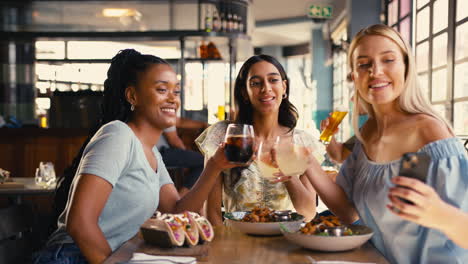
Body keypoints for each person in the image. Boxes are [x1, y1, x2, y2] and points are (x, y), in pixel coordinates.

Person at [33, 49, 240, 264]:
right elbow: (79, 223)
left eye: (176, 91)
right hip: (74, 257)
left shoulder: (150, 151)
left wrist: (214, 166)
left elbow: (176, 210)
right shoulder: (117, 135)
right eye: (162, 89)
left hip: (113, 255)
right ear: (133, 96)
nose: (173, 99)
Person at [305, 24, 468, 264]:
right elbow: (349, 210)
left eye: (388, 60)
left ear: (405, 66)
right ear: (354, 75)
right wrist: (306, 162)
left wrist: (441, 215)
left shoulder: (426, 131)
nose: (375, 71)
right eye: (364, 64)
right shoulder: (368, 132)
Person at [196, 54, 325, 226]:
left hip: (285, 243)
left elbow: (308, 214)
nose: (266, 88)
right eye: (256, 83)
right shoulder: (224, 135)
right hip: (235, 243)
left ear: (284, 87)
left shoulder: (303, 142)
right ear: (244, 92)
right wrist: (223, 249)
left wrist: (288, 176)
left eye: (273, 80)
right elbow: (211, 212)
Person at [157, 125, 204, 196]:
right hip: (160, 153)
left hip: (154, 152)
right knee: (204, 162)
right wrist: (186, 158)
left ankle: (180, 198)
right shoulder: (165, 114)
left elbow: (178, 121)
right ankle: (180, 198)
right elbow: (173, 140)